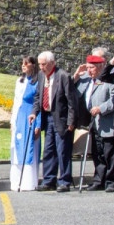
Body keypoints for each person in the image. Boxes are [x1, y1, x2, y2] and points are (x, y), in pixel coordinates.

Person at [34, 51, 78, 192]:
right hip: (47, 117)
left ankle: (64, 181)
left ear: (52, 63)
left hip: (62, 119)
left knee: (63, 151)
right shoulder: (41, 76)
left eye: (44, 64)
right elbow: (38, 97)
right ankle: (49, 180)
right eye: (40, 64)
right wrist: (34, 113)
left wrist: (71, 121)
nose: (41, 67)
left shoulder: (63, 76)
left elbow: (72, 101)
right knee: (49, 150)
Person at [78, 56, 114, 191]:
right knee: (97, 152)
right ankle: (99, 180)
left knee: (110, 152)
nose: (89, 70)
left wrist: (101, 108)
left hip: (108, 123)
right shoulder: (89, 82)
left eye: (92, 67)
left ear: (101, 67)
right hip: (94, 123)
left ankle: (112, 181)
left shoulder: (109, 81)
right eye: (88, 67)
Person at [10, 56, 42, 192]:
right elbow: (16, 101)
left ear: (33, 65)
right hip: (19, 116)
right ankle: (16, 181)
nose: (23, 66)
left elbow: (38, 102)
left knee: (29, 148)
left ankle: (28, 182)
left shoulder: (38, 81)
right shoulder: (20, 81)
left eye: (26, 63)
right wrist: (12, 121)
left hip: (31, 115)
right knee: (17, 147)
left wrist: (38, 124)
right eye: (22, 64)